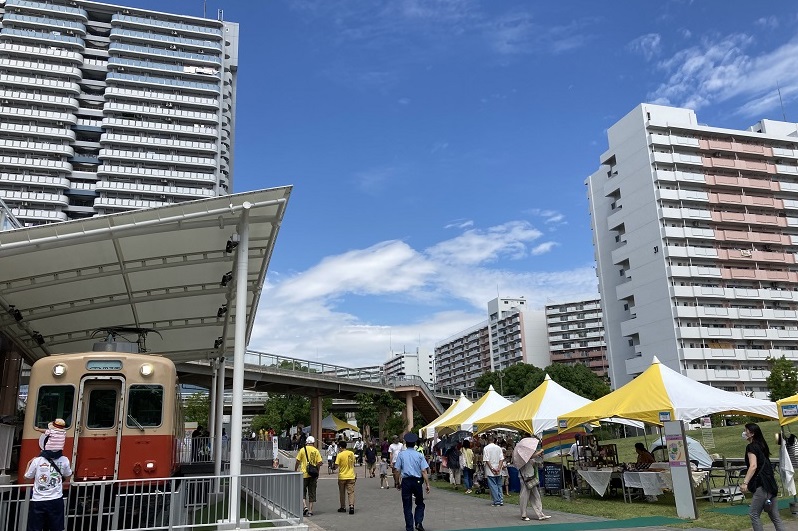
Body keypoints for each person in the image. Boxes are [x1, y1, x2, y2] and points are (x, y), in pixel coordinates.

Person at [741, 423, 785, 531]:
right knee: (775, 516)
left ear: (752, 433)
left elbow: (753, 466)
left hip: (762, 485)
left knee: (754, 514)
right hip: (771, 483)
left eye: (746, 430)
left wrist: (745, 482)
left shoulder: (751, 447)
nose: (744, 433)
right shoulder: (762, 445)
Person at [24, 450, 72, 531]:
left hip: (38, 500)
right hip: (56, 499)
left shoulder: (37, 460)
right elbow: (68, 478)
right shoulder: (64, 460)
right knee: (56, 528)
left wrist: (28, 464)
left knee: (35, 528)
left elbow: (27, 479)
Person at [394, 432, 431, 531]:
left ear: (406, 443)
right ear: (415, 443)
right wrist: (427, 484)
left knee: (407, 505)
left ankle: (409, 527)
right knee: (420, 503)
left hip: (406, 481)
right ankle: (418, 522)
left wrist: (397, 482)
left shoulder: (401, 455)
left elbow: (397, 470)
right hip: (417, 481)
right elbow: (424, 470)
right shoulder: (419, 455)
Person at [519, 437, 551, 521]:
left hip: (532, 478)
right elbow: (530, 457)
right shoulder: (522, 455)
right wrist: (539, 452)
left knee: (536, 496)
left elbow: (539, 462)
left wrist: (541, 455)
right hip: (525, 478)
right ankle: (523, 514)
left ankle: (540, 514)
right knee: (525, 497)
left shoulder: (530, 455)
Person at [295, 435, 323, 517]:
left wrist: (295, 469)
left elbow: (297, 461)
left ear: (307, 442)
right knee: (312, 492)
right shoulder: (316, 451)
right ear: (313, 443)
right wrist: (317, 471)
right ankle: (310, 510)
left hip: (303, 474)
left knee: (302, 492)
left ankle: (305, 506)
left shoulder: (302, 450)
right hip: (313, 475)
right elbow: (319, 463)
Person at [336, 440, 357, 514]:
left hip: (342, 476)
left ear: (341, 447)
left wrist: (333, 467)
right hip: (351, 475)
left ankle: (343, 507)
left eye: (339, 447)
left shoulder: (340, 455)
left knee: (342, 492)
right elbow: (353, 462)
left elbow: (336, 465)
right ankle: (351, 506)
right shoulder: (351, 453)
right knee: (351, 492)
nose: (338, 449)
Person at [482, 435, 504, 506]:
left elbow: (487, 460)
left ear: (487, 440)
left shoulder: (486, 448)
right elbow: (501, 459)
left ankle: (497, 501)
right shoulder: (499, 448)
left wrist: (492, 468)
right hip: (498, 469)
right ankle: (500, 500)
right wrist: (499, 468)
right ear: (494, 440)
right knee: (499, 485)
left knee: (493, 486)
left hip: (490, 470)